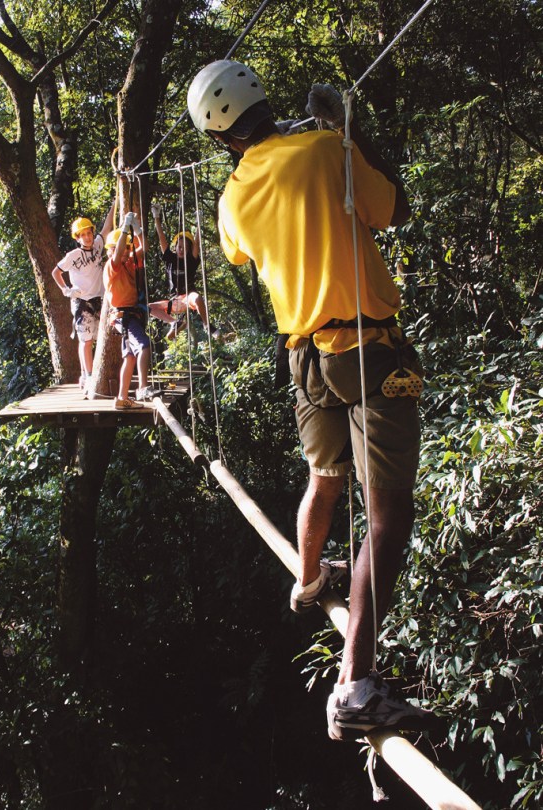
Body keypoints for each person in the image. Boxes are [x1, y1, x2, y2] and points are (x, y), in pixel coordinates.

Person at [187, 60, 433, 742]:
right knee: (388, 517)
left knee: (325, 477)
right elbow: (397, 209)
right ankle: (355, 687)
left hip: (305, 360)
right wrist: (348, 130)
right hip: (369, 351)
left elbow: (241, 254)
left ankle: (305, 581)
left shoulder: (232, 197)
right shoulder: (328, 150)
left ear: (221, 137)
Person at [52, 203, 115, 397]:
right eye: (83, 235)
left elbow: (107, 228)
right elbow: (56, 272)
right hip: (82, 302)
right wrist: (66, 289)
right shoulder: (73, 255)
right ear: (77, 238)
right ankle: (88, 376)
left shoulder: (97, 244)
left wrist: (115, 203)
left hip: (98, 298)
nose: (87, 237)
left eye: (89, 233)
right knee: (85, 341)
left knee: (96, 339)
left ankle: (83, 374)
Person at [103, 212, 160, 408]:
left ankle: (122, 398)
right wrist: (125, 229)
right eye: (122, 248)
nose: (127, 252)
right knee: (144, 345)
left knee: (130, 356)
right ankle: (143, 387)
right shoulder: (112, 266)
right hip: (123, 315)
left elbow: (144, 247)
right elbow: (117, 254)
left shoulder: (130, 262)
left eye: (129, 248)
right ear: (110, 250)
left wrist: (137, 229)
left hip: (129, 315)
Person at [149, 204, 220, 341]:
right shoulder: (170, 259)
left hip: (188, 297)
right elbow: (162, 239)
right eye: (179, 247)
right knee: (148, 308)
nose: (181, 250)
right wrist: (156, 218)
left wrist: (199, 223)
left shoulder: (191, 260)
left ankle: (207, 325)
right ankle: (174, 323)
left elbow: (197, 244)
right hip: (174, 300)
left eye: (185, 248)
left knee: (198, 298)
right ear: (175, 247)